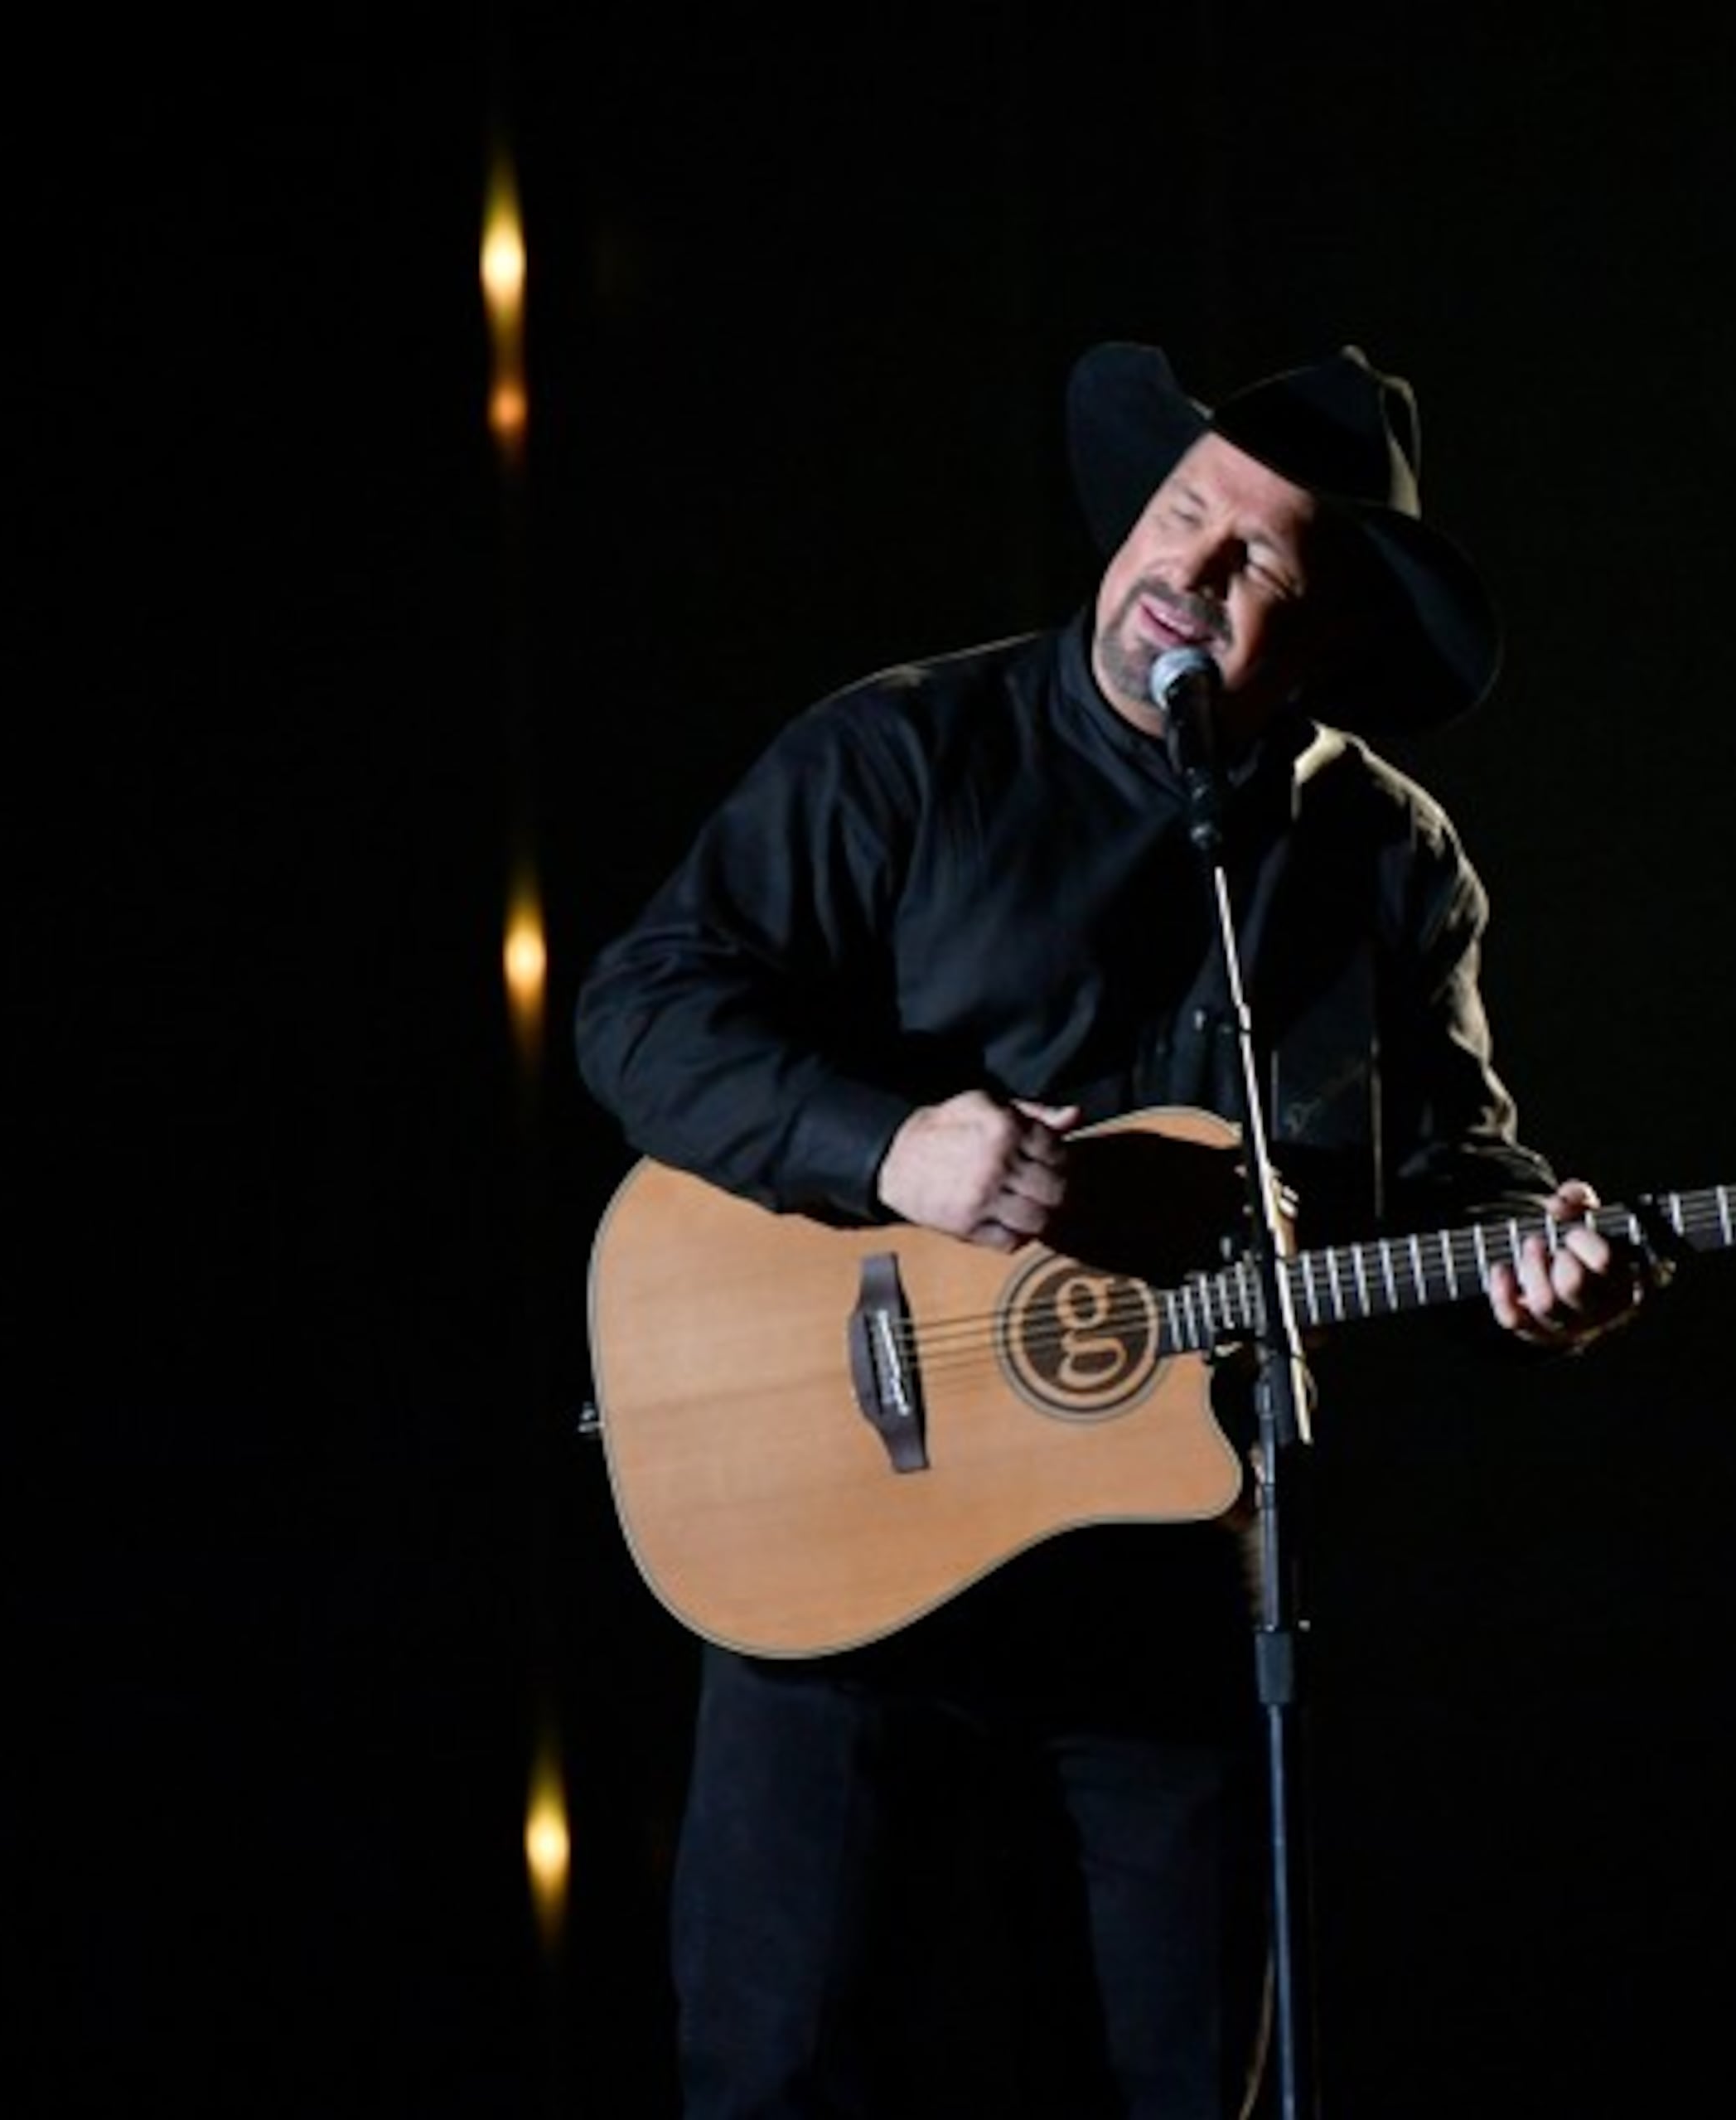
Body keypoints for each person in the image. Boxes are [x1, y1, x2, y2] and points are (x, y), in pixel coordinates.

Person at [573, 338, 1656, 2120]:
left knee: (1191, 2076)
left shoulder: (1387, 861)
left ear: (1323, 641)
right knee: (783, 2071)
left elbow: (1453, 1175)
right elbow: (640, 1010)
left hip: (1169, 1563)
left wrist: (1534, 1268)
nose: (1186, 574)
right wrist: (891, 1147)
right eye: (1177, 519)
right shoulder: (908, 751)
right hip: (842, 1536)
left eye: (1253, 567)